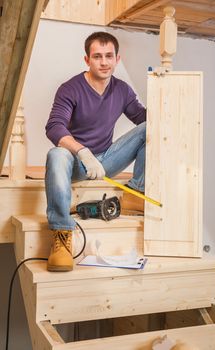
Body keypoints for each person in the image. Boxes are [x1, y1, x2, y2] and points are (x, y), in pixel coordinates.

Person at [45, 31, 146, 272]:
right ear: (87, 60)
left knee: (150, 128)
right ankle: (61, 236)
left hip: (107, 160)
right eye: (97, 56)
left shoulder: (122, 90)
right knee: (55, 154)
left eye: (109, 56)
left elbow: (142, 118)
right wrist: (83, 153)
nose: (104, 62)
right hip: (78, 162)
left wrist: (168, 101)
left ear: (117, 59)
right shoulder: (70, 88)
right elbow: (54, 126)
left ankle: (135, 191)